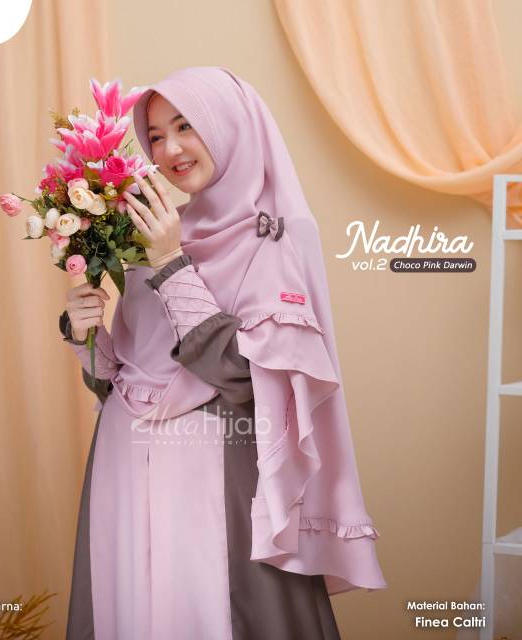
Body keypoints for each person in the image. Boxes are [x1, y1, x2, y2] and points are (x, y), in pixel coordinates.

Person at [60, 66, 387, 640]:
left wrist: (170, 264)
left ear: (228, 125)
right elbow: (125, 377)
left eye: (186, 126)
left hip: (214, 473)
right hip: (123, 468)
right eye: (155, 135)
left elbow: (244, 377)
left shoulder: (276, 233)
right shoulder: (156, 229)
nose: (170, 149)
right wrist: (85, 333)